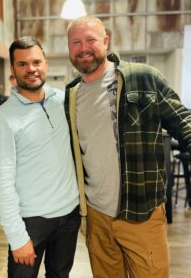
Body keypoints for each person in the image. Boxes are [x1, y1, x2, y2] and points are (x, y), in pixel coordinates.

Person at [65, 15, 191, 278]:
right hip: (96, 215)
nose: (83, 48)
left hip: (142, 211)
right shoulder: (71, 93)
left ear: (106, 41)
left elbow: (184, 123)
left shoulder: (143, 77)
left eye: (90, 40)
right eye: (76, 42)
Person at [0, 36, 81, 278]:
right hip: (30, 221)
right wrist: (17, 237)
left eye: (36, 62)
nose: (31, 69)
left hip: (69, 215)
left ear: (46, 64)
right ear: (13, 69)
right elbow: (2, 182)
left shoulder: (64, 101)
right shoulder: (2, 119)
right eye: (22, 64)